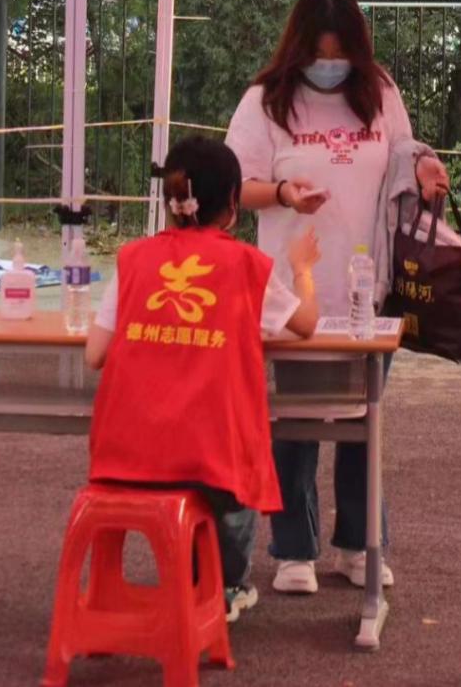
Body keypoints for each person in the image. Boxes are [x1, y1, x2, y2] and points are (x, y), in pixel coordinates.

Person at [225, 0, 449, 595]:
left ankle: (359, 545)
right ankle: (293, 550)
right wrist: (284, 194)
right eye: (320, 56)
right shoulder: (265, 102)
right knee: (294, 425)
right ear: (298, 50)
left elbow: (403, 155)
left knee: (364, 420)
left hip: (368, 288)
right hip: (293, 293)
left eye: (340, 55)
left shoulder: (379, 90)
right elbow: (235, 185)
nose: (330, 66)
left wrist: (424, 166)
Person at [83, 136, 320, 621]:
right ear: (233, 204)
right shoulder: (246, 265)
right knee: (232, 476)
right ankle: (224, 584)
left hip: (127, 456)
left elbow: (94, 354)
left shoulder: (133, 260)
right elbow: (306, 324)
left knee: (181, 475)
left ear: (169, 200)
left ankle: (189, 579)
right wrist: (302, 270)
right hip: (211, 460)